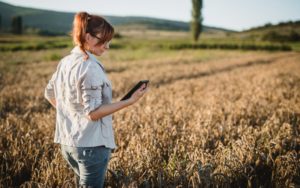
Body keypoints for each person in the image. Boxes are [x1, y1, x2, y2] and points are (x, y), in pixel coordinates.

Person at [44, 12, 147, 187]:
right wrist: (129, 101)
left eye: (109, 41)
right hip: (91, 145)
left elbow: (49, 94)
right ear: (87, 37)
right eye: (104, 41)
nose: (107, 46)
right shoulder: (90, 67)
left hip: (68, 144)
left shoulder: (65, 62)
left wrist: (72, 116)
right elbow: (92, 113)